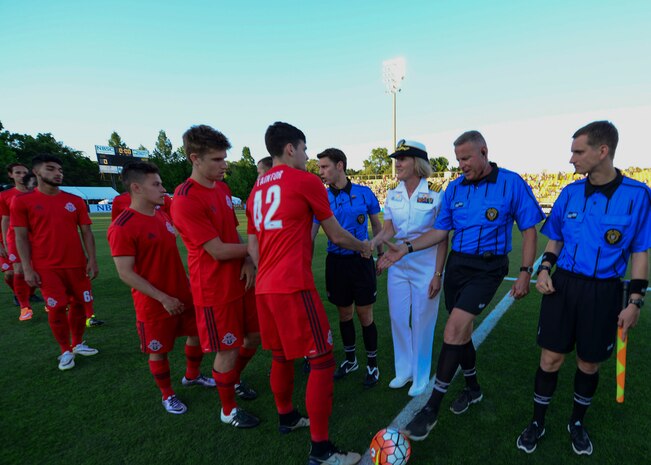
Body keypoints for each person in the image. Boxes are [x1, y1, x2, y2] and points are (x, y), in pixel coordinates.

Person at [379, 130, 544, 440]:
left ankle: (430, 409)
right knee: (463, 332)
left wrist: (525, 272)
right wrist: (408, 248)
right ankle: (472, 388)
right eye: (458, 159)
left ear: (484, 151)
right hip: (458, 266)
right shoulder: (454, 189)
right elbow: (441, 233)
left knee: (453, 329)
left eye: (466, 158)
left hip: (489, 268)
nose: (462, 164)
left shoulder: (510, 183)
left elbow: (530, 230)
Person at [515, 121, 651, 456]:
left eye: (578, 151)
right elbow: (556, 237)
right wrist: (544, 269)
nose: (571, 159)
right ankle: (537, 421)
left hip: (604, 292)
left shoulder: (638, 195)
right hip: (563, 287)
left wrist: (635, 302)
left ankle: (576, 422)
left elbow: (640, 251)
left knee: (589, 364)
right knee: (550, 359)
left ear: (602, 151)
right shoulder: (569, 192)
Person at [247, 122, 371, 465]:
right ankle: (321, 450)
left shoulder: (256, 189)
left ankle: (287, 416)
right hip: (291, 285)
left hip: (265, 287)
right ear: (290, 148)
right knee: (321, 360)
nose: (306, 156)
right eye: (304, 149)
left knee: (281, 355)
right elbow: (336, 235)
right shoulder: (304, 181)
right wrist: (363, 246)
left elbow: (253, 244)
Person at [171, 124, 261, 429]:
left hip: (240, 278)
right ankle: (227, 410)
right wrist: (254, 249)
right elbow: (218, 250)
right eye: (217, 159)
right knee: (228, 348)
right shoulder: (184, 199)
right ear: (195, 158)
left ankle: (232, 381)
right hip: (213, 289)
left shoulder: (221, 188)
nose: (224, 165)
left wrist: (248, 258)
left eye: (225, 158)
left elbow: (232, 234)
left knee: (255, 336)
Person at [108, 162, 215, 414]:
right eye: (156, 184)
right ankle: (167, 395)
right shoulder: (122, 226)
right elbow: (125, 272)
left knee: (197, 334)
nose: (163, 189)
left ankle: (192, 375)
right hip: (153, 302)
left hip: (182, 291)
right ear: (136, 188)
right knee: (159, 351)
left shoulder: (162, 215)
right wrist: (163, 297)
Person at [369, 140, 448, 397]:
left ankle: (421, 375)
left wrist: (438, 273)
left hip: (426, 264)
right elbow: (390, 229)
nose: (398, 164)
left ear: (417, 162)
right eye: (397, 159)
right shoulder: (393, 192)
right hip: (398, 263)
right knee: (398, 317)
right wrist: (372, 243)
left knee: (422, 320)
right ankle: (403, 370)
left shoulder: (436, 192)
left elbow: (442, 235)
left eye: (402, 159)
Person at [12, 154, 101, 370]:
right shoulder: (23, 202)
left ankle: (78, 342)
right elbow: (21, 236)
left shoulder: (75, 201)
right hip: (47, 267)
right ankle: (64, 350)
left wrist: (92, 259)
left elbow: (87, 232)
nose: (58, 173)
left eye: (59, 170)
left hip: (77, 265)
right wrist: (27, 267)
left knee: (80, 304)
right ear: (37, 172)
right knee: (58, 307)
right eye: (51, 169)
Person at [312, 148, 383, 388]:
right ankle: (351, 360)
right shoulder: (319, 197)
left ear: (339, 165)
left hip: (362, 262)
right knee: (344, 314)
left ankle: (372, 364)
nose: (321, 171)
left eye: (324, 167)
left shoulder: (365, 193)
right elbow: (311, 234)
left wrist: (380, 254)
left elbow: (376, 225)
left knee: (365, 316)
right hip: (336, 263)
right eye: (320, 167)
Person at [0, 163, 32, 319]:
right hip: (14, 237)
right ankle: (25, 307)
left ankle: (34, 297)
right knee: (16, 271)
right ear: (11, 175)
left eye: (24, 172)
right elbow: (5, 220)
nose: (22, 175)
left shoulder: (36, 192)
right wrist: (5, 242)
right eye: (18, 172)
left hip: (36, 236)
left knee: (39, 269)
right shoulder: (5, 196)